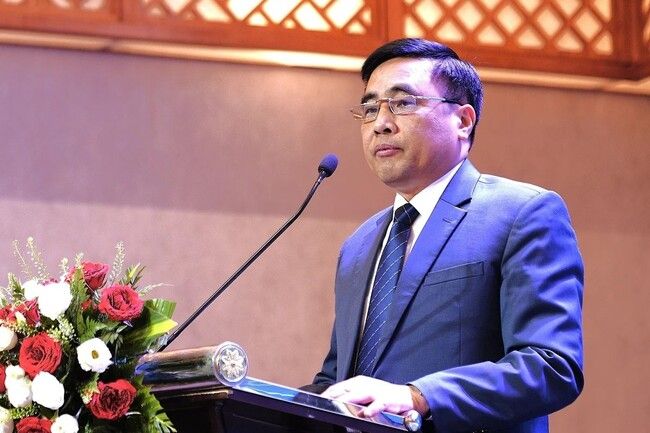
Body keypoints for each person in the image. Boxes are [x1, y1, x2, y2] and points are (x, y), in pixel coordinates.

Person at [308, 38, 584, 433]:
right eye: (370, 109)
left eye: (402, 103)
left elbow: (551, 366)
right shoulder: (358, 245)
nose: (381, 123)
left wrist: (418, 397)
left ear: (463, 120)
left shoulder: (523, 213)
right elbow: (337, 380)